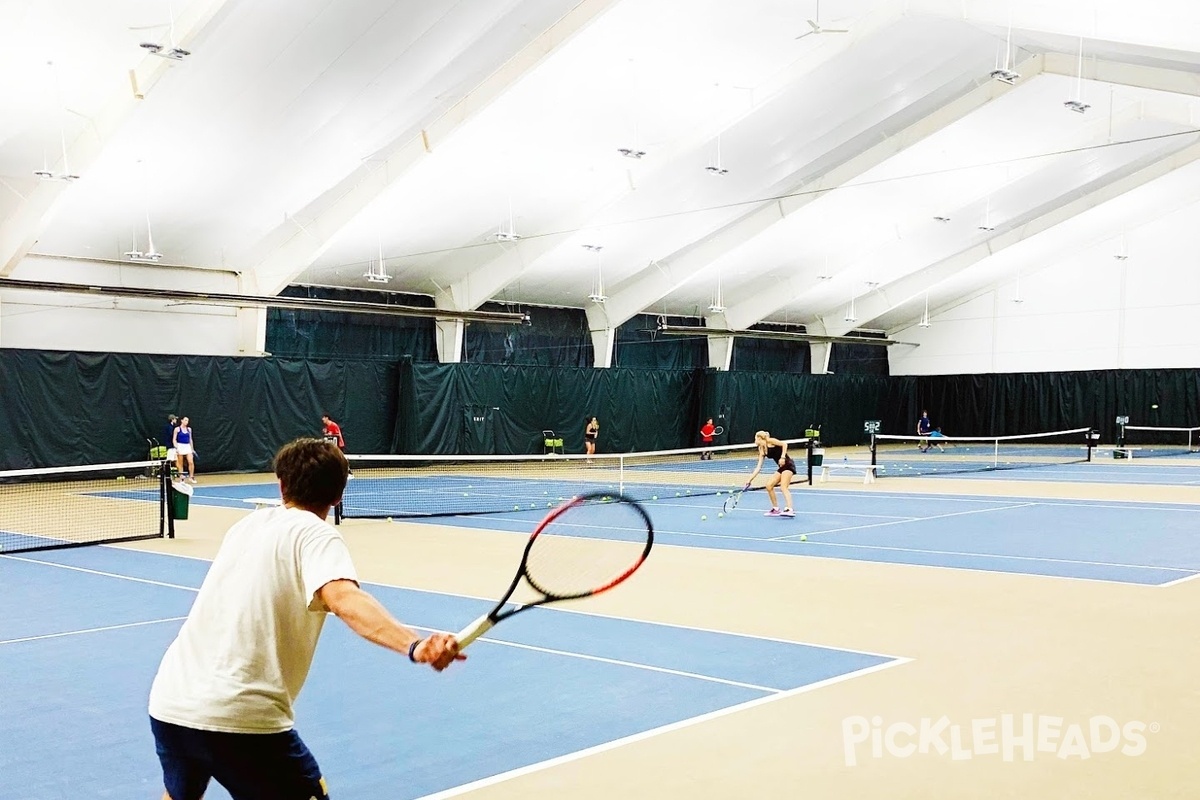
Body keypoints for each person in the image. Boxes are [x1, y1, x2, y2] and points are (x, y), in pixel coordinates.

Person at [148, 438, 462, 800]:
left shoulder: (247, 527)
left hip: (171, 702)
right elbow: (344, 597)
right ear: (339, 496)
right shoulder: (318, 535)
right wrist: (415, 644)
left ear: (282, 486)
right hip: (241, 716)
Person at [748, 430, 796, 517]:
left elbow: (784, 444)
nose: (754, 440)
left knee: (783, 487)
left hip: (788, 465)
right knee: (769, 486)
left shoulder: (770, 441)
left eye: (755, 438)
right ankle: (776, 509)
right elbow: (758, 467)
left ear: (759, 438)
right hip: (781, 468)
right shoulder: (761, 450)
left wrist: (782, 457)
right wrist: (750, 480)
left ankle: (790, 509)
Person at [173, 416, 197, 483]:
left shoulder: (189, 429)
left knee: (191, 462)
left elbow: (190, 439)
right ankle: (181, 478)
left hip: (187, 446)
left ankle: (191, 477)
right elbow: (174, 439)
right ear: (182, 420)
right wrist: (176, 447)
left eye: (187, 421)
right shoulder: (177, 429)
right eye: (185, 420)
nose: (187, 422)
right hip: (180, 446)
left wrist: (192, 448)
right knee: (180, 463)